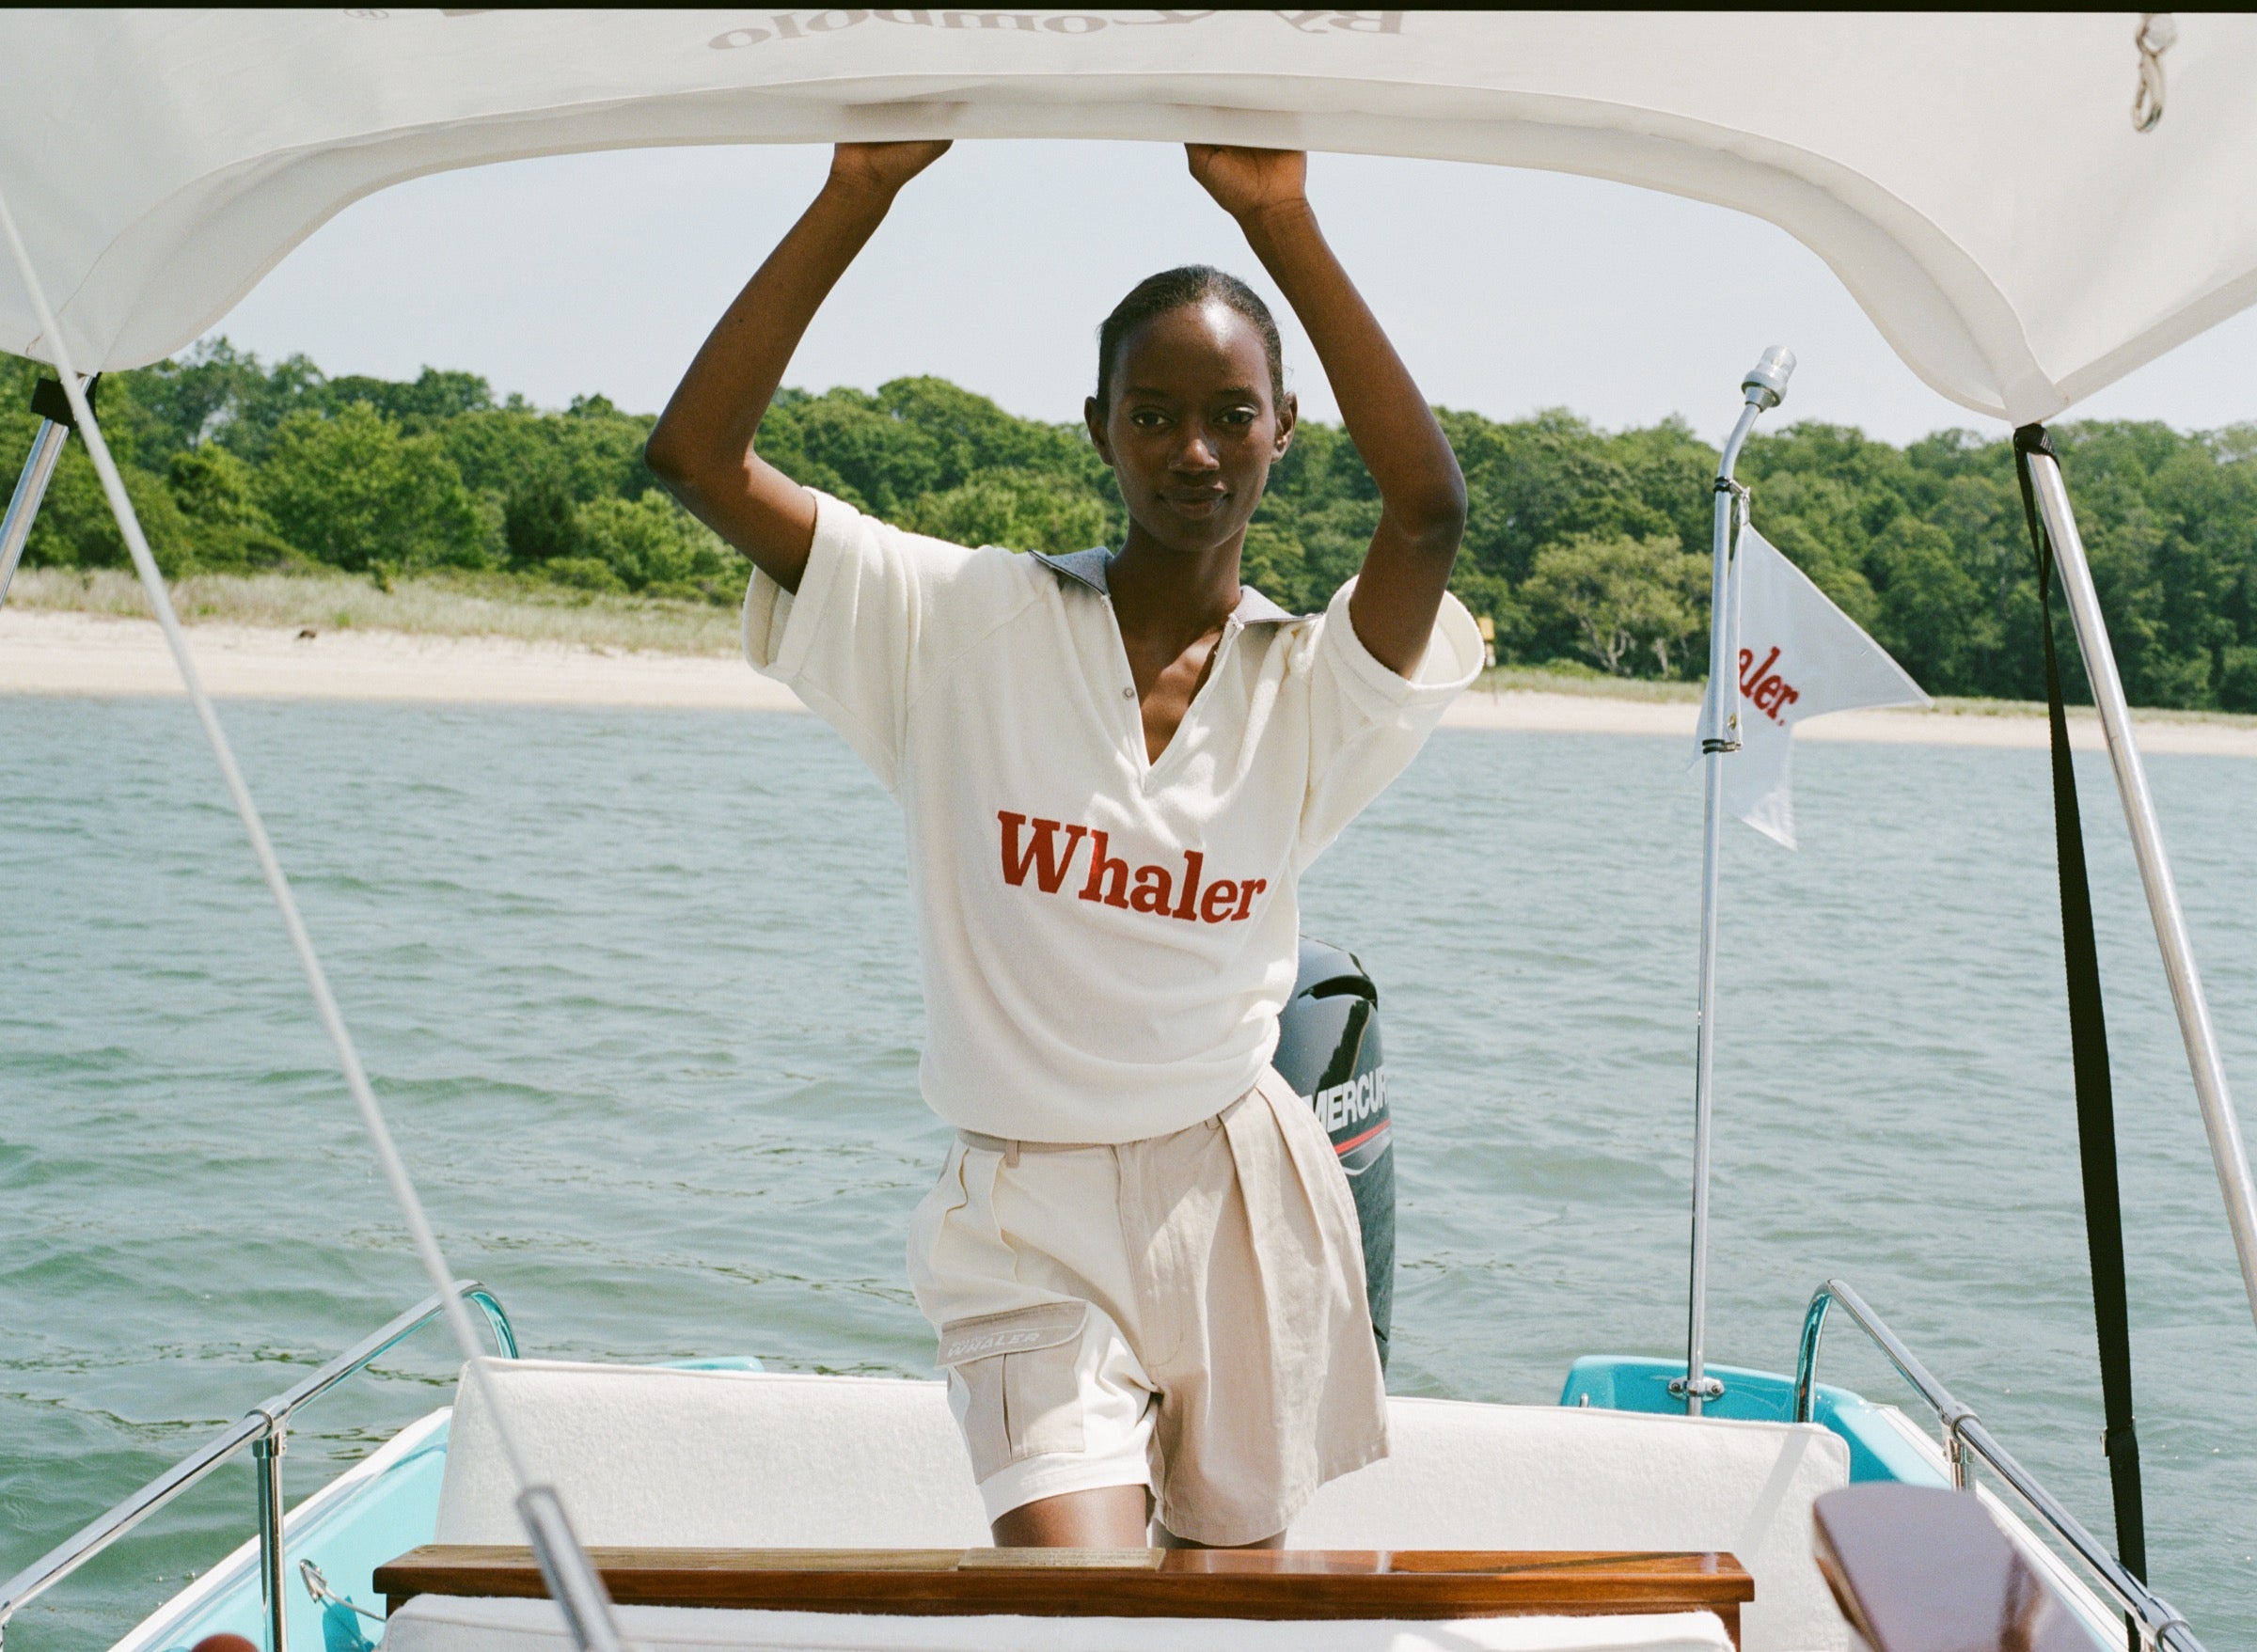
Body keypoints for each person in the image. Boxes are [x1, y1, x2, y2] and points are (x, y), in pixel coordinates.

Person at [646, 140, 1478, 1550]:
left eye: (1232, 415)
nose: (1194, 451)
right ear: (1097, 427)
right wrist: (860, 189)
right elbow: (696, 457)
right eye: (1154, 415)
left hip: (1237, 1198)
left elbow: (1430, 511)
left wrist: (1280, 217)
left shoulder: (1309, 684)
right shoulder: (957, 624)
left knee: (1226, 1611)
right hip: (1027, 1218)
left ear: (1285, 428)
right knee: (1075, 1602)